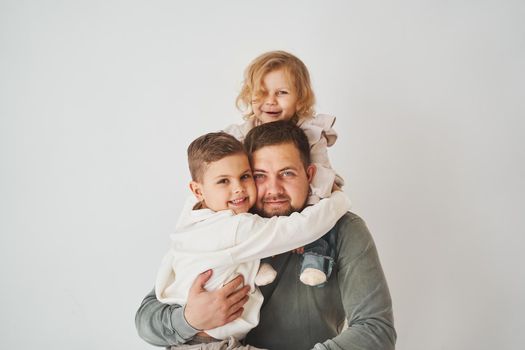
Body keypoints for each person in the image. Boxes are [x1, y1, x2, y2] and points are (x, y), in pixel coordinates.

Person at [136, 121, 396, 350]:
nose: (273, 189)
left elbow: (376, 331)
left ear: (309, 175)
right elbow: (147, 318)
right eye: (259, 176)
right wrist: (190, 319)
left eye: (287, 173)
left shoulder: (343, 229)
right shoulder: (221, 226)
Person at [225, 50, 344, 286]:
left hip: (307, 199)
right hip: (259, 203)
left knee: (330, 209)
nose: (270, 101)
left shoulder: (311, 132)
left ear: (300, 98)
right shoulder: (243, 133)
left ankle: (315, 257)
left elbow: (320, 176)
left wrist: (302, 226)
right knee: (237, 219)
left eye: (282, 93)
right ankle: (255, 263)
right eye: (261, 94)